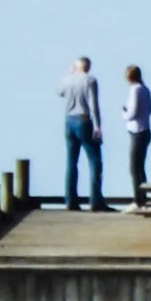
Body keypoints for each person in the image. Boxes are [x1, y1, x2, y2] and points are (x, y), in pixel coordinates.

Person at [58, 57, 106, 211]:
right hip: (84, 120)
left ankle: (70, 201)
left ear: (76, 66)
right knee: (95, 160)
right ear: (88, 67)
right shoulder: (90, 80)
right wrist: (98, 126)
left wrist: (69, 74)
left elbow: (60, 93)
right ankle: (95, 201)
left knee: (71, 162)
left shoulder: (67, 79)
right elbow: (93, 104)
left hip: (68, 120)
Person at [122, 65, 151, 206]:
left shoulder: (135, 90)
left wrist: (124, 113)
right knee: (140, 167)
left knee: (134, 167)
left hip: (137, 131)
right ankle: (143, 198)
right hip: (145, 130)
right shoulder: (145, 89)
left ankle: (138, 200)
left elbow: (132, 113)